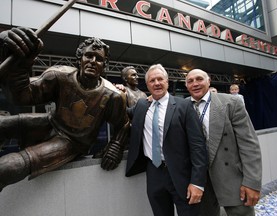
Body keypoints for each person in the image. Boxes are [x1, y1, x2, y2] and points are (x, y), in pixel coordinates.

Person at [0, 27, 130, 191]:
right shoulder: (59, 76)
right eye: (88, 55)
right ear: (79, 58)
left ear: (104, 65)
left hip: (74, 142)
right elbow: (22, 96)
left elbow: (123, 124)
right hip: (51, 123)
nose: (92, 61)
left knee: (8, 167)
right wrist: (19, 64)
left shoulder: (113, 96)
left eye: (99, 59)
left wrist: (115, 146)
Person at [125, 64, 208, 216]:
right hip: (154, 174)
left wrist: (197, 182)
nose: (156, 83)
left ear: (167, 82)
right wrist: (116, 91)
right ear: (147, 85)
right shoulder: (142, 106)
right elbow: (120, 113)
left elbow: (198, 147)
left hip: (183, 176)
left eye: (160, 79)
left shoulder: (184, 106)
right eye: (152, 80)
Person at [185, 69, 262, 216]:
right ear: (187, 86)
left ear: (209, 81)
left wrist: (252, 182)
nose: (195, 84)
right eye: (190, 81)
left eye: (199, 79)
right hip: (201, 182)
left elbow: (249, 145)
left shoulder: (231, 103)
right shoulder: (182, 107)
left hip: (232, 179)